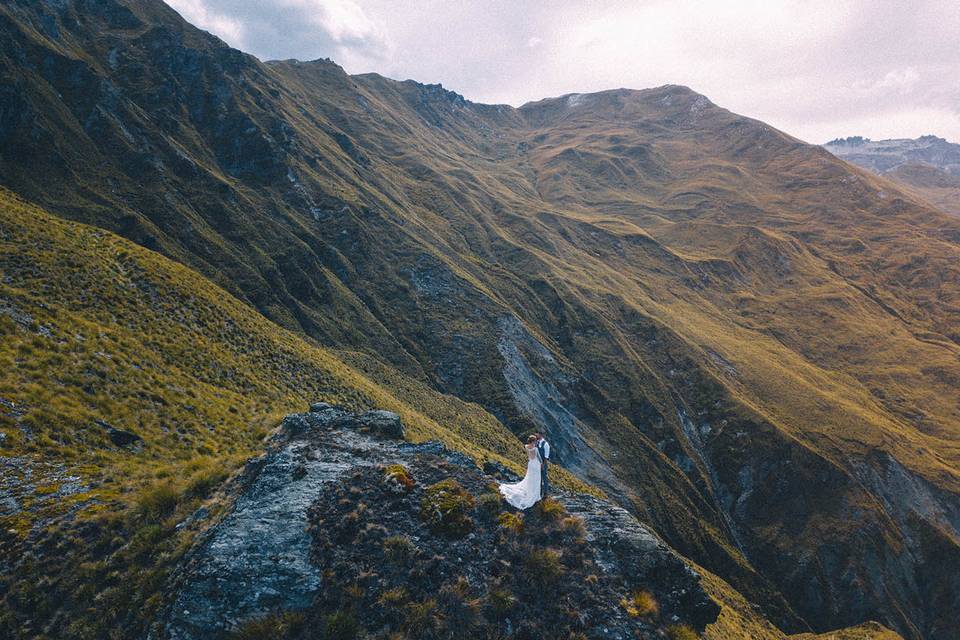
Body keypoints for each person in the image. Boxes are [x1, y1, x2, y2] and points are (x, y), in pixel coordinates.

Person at [498, 435, 542, 509]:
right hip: (536, 464)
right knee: (536, 479)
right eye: (535, 441)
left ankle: (530, 491)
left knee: (530, 478)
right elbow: (539, 458)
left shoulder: (526, 446)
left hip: (530, 464)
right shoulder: (536, 449)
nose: (536, 442)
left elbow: (530, 455)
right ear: (533, 441)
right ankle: (535, 495)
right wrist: (541, 464)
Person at [536, 433, 550, 498]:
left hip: (543, 463)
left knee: (544, 478)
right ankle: (539, 493)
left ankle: (546, 493)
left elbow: (546, 457)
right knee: (539, 478)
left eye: (537, 435)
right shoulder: (537, 443)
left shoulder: (546, 444)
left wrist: (543, 465)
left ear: (540, 435)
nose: (536, 436)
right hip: (537, 463)